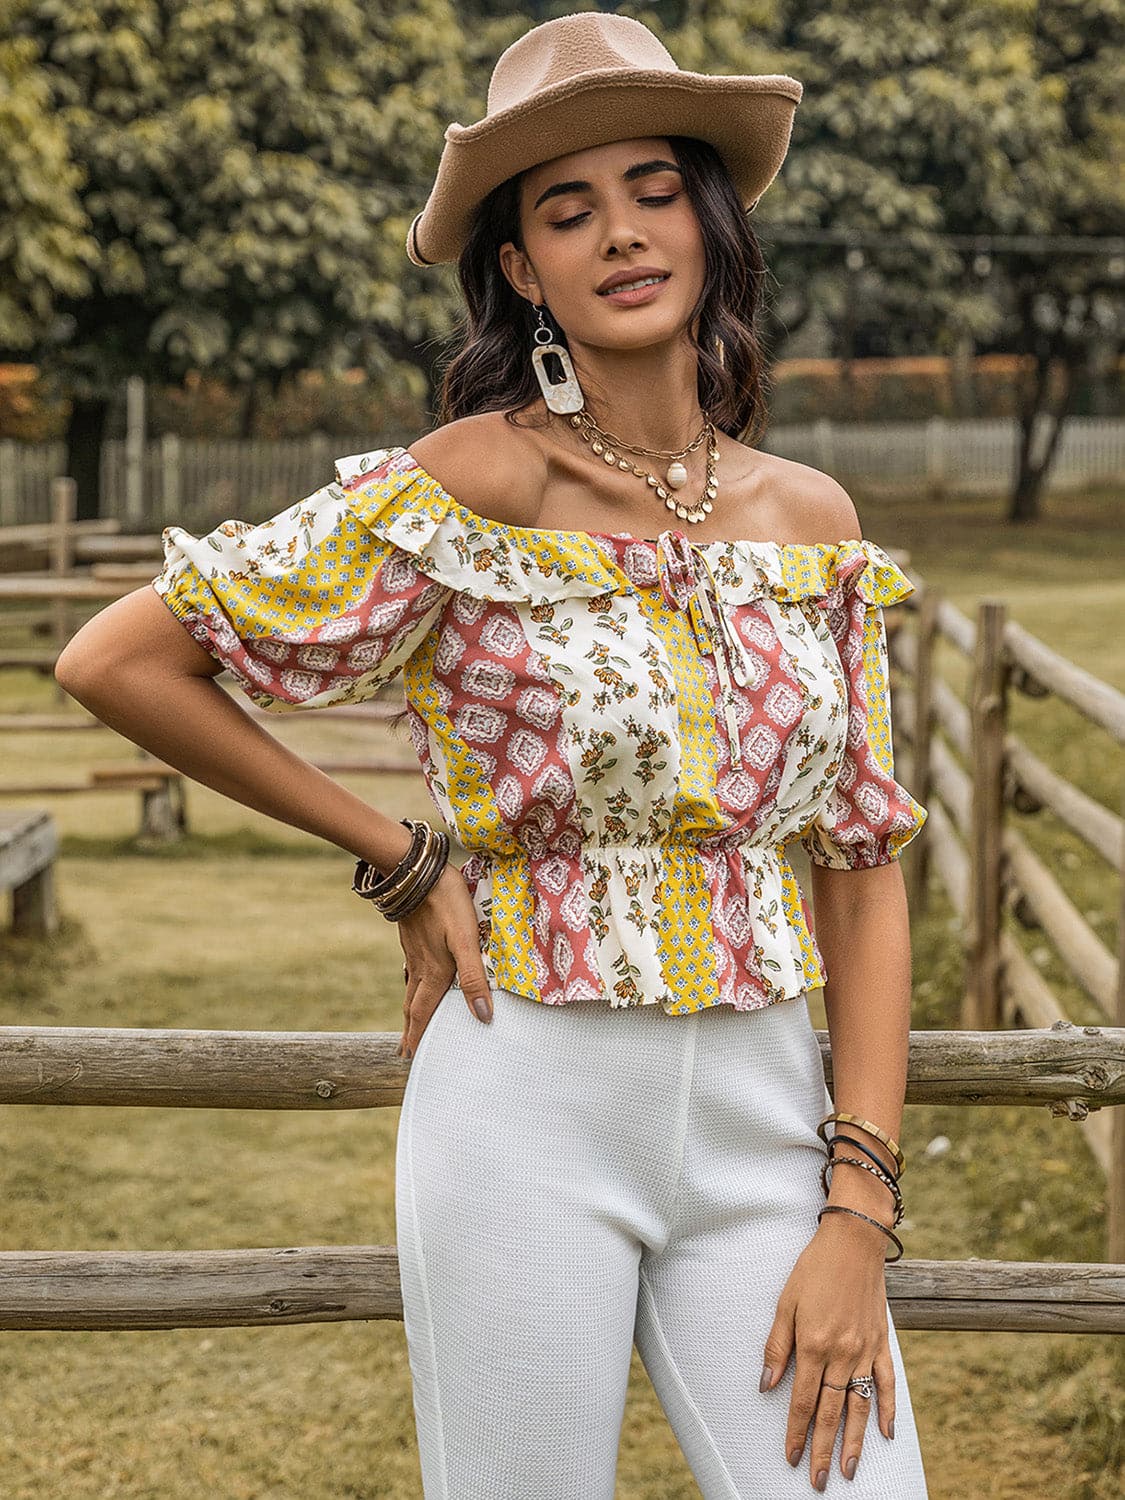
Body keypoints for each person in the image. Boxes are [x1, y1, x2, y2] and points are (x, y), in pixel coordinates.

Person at [55, 11, 932, 1498]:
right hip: (524, 1106)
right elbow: (121, 659)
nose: (621, 235)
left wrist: (856, 1202)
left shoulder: (812, 522)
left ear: (709, 222)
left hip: (772, 1133)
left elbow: (857, 866)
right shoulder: (478, 482)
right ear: (521, 268)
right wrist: (400, 859)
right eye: (565, 209)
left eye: (654, 189)